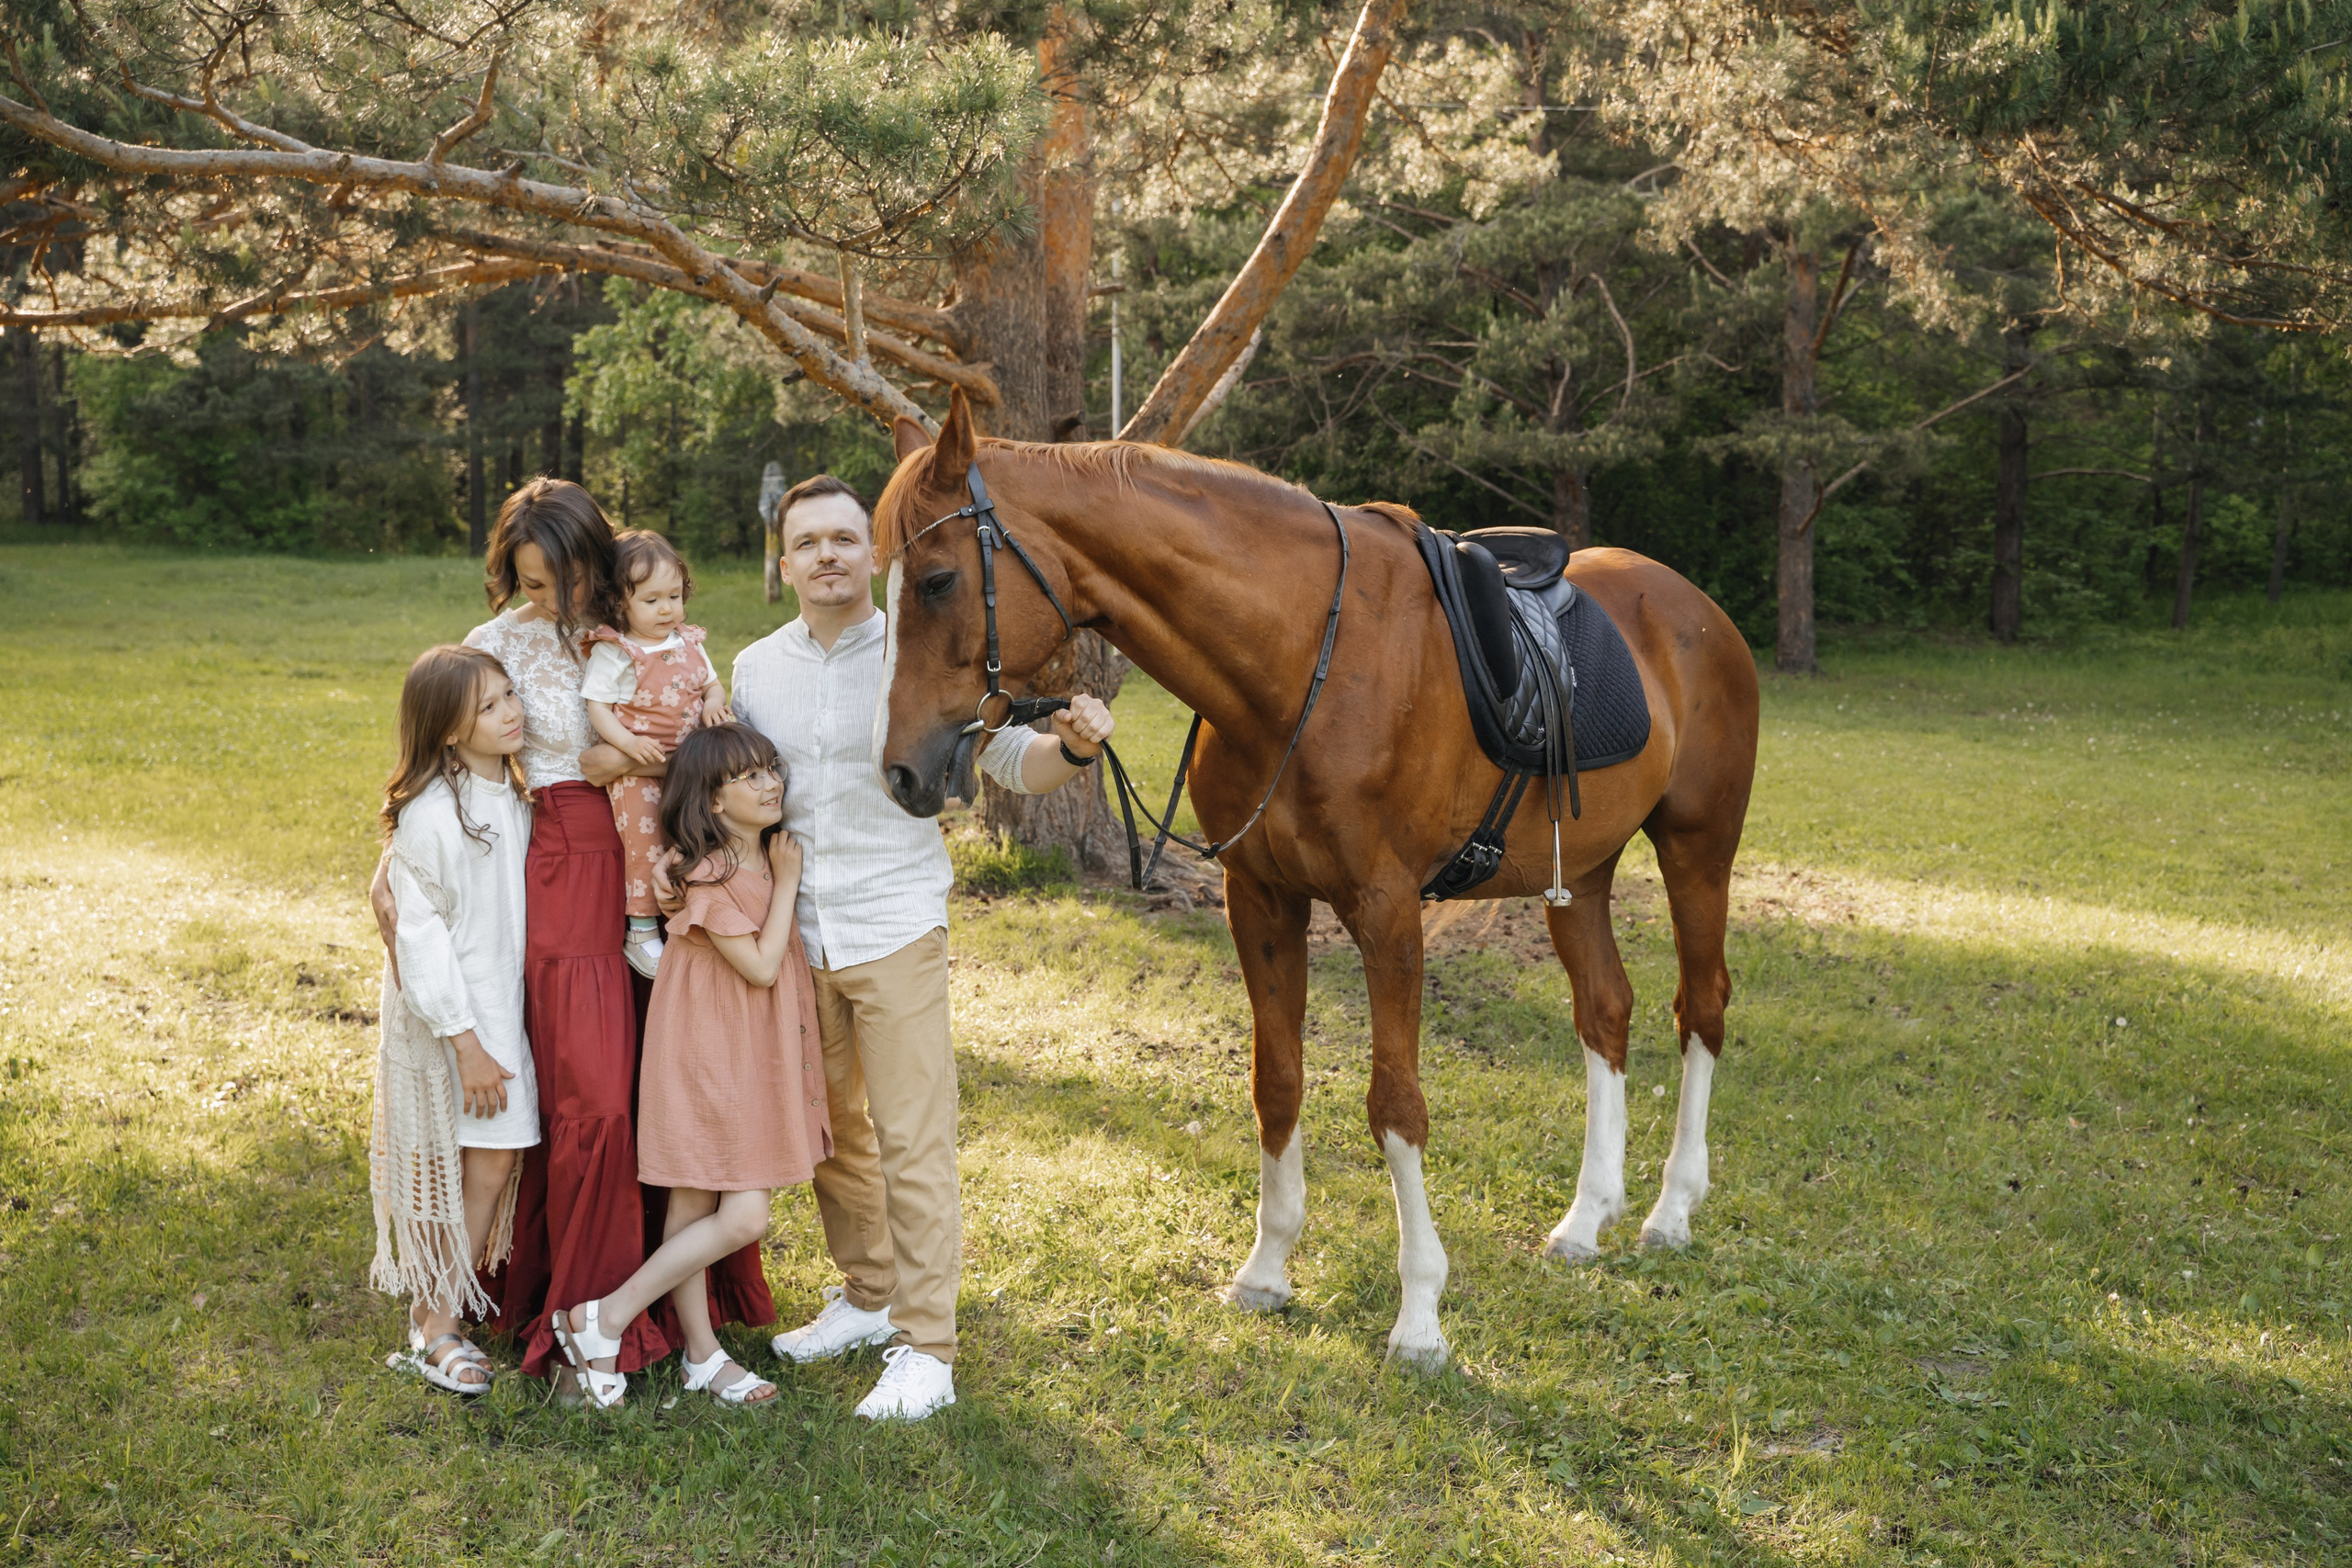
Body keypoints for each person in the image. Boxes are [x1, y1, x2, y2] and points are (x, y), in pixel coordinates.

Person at [369, 479, 772, 1395]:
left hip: (662, 867)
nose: (546, 600)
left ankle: (671, 1305)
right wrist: (385, 862)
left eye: (560, 578)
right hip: (560, 871)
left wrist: (636, 762)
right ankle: (586, 1315)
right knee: (593, 1094)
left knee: (665, 1084)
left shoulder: (643, 617)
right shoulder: (496, 644)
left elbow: (706, 739)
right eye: (527, 581)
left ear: (597, 559)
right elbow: (440, 754)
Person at [726, 473, 1114, 1422]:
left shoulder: (925, 653)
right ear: (785, 563)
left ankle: (927, 1348)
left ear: (876, 555)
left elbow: (1008, 765)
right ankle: (866, 1297)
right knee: (830, 1135)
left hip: (895, 922)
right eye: (807, 542)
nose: (826, 556)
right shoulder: (755, 668)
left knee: (912, 1140)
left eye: (844, 540)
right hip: (794, 933)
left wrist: (1072, 746)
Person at [552, 725, 828, 1409]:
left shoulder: (760, 857)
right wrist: (789, 881)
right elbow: (761, 967)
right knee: (742, 1217)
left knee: (694, 1200)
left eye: (772, 769)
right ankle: (604, 1316)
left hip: (745, 1050)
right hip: (712, 1057)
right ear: (711, 799)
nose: (771, 784)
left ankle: (700, 1355)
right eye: (750, 777)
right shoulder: (710, 875)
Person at [370, 644, 538, 1396]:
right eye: (491, 706)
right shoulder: (434, 815)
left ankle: (441, 1307)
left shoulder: (517, 794)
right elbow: (421, 937)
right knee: (451, 1161)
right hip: (454, 1017)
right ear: (447, 729)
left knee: (494, 1159)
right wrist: (465, 1041)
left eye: (511, 695)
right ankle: (436, 1322)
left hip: (505, 1002)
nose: (513, 712)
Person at [582, 530, 728, 977]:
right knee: (645, 845)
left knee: (699, 834)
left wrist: (716, 702)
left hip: (690, 766)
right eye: (651, 600)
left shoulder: (688, 640)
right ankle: (642, 929)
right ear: (620, 604)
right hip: (638, 771)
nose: (667, 609)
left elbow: (710, 682)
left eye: (674, 596)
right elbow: (598, 707)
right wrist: (626, 744)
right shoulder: (616, 651)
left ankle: (701, 912)